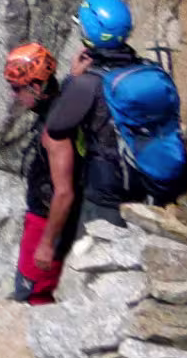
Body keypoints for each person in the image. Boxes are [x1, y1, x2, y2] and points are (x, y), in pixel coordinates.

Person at [12, 28, 114, 302]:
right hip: (50, 216)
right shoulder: (65, 102)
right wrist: (73, 75)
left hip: (46, 220)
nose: (14, 96)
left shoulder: (53, 133)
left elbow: (64, 192)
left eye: (17, 88)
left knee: (32, 293)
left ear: (35, 87)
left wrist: (46, 244)